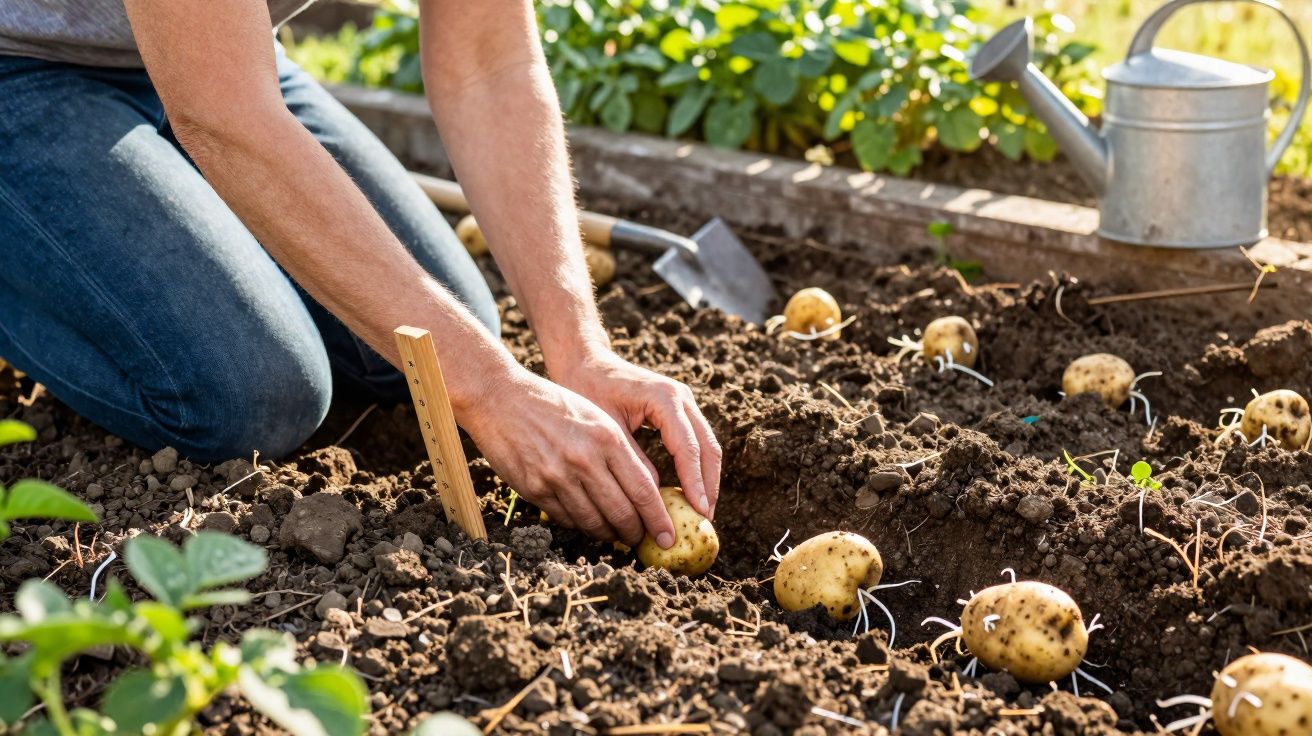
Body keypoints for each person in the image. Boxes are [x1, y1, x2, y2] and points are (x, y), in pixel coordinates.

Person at [0, 0, 721, 550]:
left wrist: (578, 349)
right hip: (23, 66)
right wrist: (491, 388)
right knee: (259, 392)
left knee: (429, 344)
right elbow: (221, 117)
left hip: (220, 52)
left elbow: (489, 61)